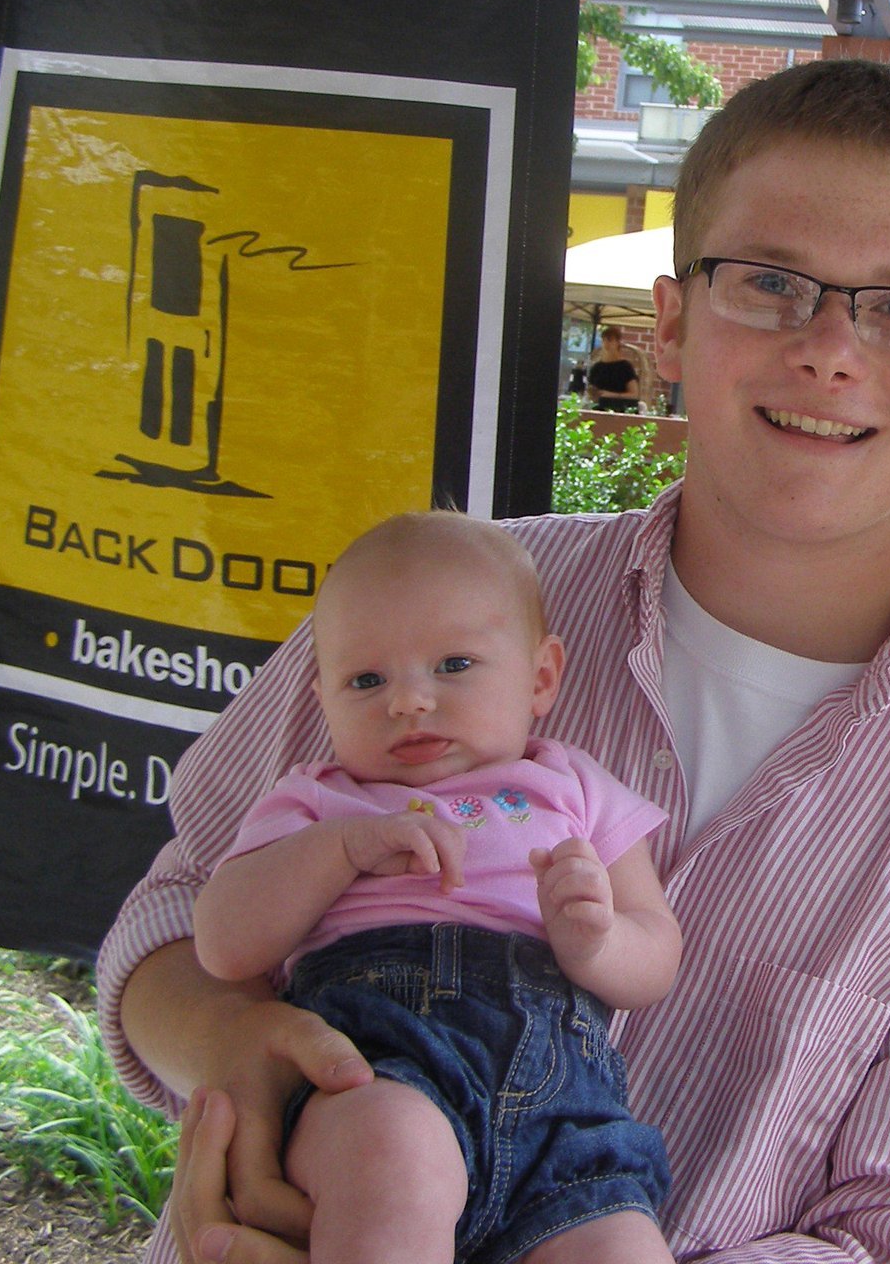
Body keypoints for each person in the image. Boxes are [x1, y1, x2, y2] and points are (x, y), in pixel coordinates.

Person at [96, 57, 890, 1264]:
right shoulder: (430, 613)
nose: (829, 348)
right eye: (767, 282)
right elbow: (173, 912)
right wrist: (234, 1051)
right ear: (672, 320)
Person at [192, 511, 677, 1264]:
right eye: (367, 679)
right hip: (387, 1065)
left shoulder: (575, 788)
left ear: (542, 677)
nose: (408, 700)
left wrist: (598, 939)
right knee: (393, 1162)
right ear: (322, 700)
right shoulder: (317, 801)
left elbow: (658, 954)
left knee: (625, 1247)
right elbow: (223, 944)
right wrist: (338, 852)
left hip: (566, 1114)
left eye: (453, 665)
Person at [585, 325, 649, 411]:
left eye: (610, 340)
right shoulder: (597, 367)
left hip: (620, 410)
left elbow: (634, 394)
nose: (606, 343)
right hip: (598, 409)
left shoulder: (625, 367)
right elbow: (590, 392)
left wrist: (611, 395)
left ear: (617, 342)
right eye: (604, 340)